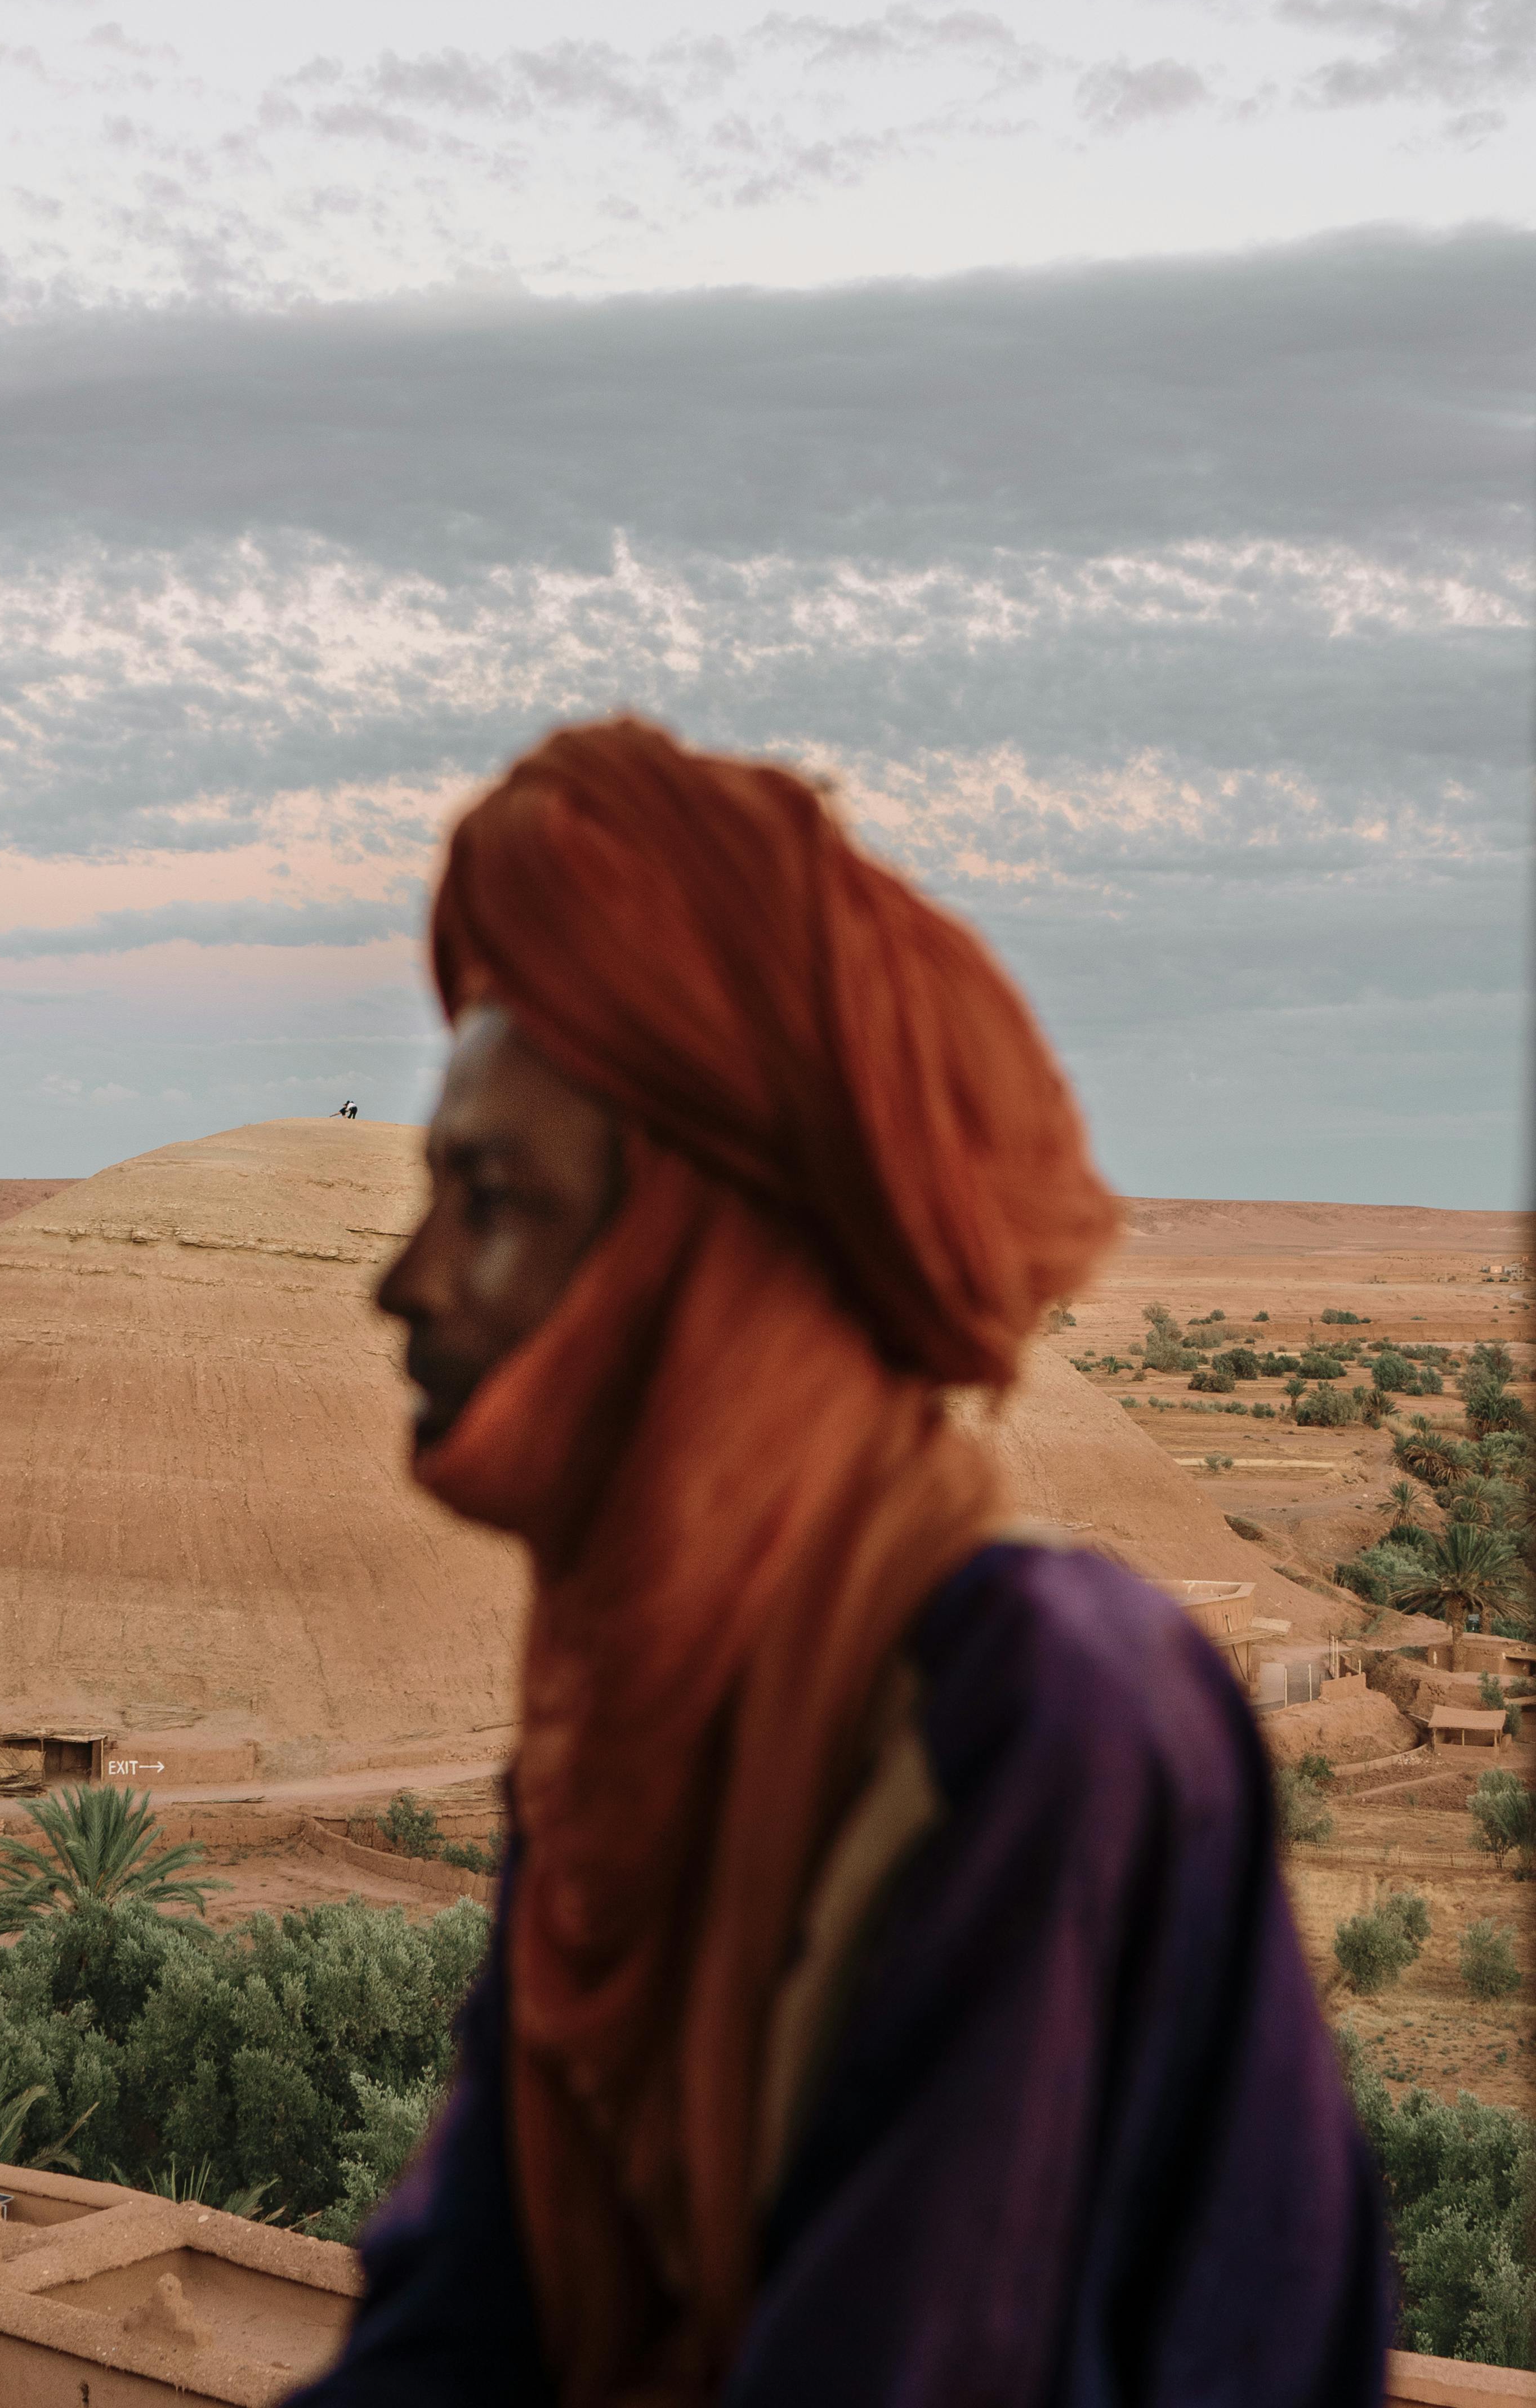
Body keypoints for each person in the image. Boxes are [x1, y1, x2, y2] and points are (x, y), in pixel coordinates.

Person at [293, 719, 1388, 2408]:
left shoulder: (1044, 1720)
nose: (406, 1282)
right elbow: (466, 2330)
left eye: (491, 1199)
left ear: (689, 1268)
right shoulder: (620, 1743)